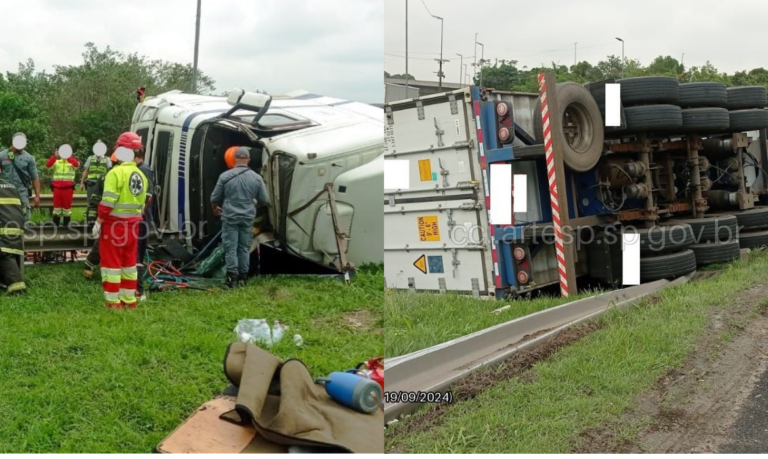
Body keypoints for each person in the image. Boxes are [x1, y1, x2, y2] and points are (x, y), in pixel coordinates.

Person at [95, 132, 148, 309]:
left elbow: (108, 202)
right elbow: (143, 204)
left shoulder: (115, 173)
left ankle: (113, 302)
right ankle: (129, 300)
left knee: (111, 265)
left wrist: (99, 221)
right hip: (134, 226)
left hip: (114, 226)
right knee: (129, 264)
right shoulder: (140, 175)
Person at [210, 147, 269, 288]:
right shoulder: (257, 178)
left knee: (230, 248)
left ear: (235, 159)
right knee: (243, 248)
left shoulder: (225, 176)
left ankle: (232, 279)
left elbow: (214, 197)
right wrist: (254, 202)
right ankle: (243, 278)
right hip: (248, 217)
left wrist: (215, 209)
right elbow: (265, 200)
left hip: (230, 216)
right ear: (248, 159)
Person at [0, 132, 41, 224]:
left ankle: (24, 236)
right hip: (5, 193)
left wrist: (37, 196)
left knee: (24, 217)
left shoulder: (29, 158)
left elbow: (35, 178)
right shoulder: (2, 156)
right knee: (5, 218)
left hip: (22, 193)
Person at [0, 163, 27, 294]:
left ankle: (15, 284)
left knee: (4, 253)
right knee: (8, 251)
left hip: (4, 230)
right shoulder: (10, 185)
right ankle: (4, 280)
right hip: (17, 227)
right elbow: (23, 208)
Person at [134, 146, 154, 300]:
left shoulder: (144, 170)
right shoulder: (139, 169)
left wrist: (140, 210)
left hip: (142, 219)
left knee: (137, 255)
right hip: (138, 219)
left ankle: (139, 290)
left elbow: (149, 196)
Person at [45, 146, 80, 227]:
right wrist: (54, 157)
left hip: (68, 189)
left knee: (67, 209)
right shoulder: (56, 162)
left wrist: (69, 157)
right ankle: (55, 226)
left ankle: (66, 227)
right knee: (56, 208)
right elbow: (48, 165)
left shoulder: (72, 162)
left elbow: (77, 165)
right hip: (57, 188)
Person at [79, 141, 112, 209]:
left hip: (101, 185)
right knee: (90, 202)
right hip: (91, 184)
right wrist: (81, 183)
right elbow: (86, 171)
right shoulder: (90, 158)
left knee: (101, 202)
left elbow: (110, 171)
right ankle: (90, 218)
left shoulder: (107, 159)